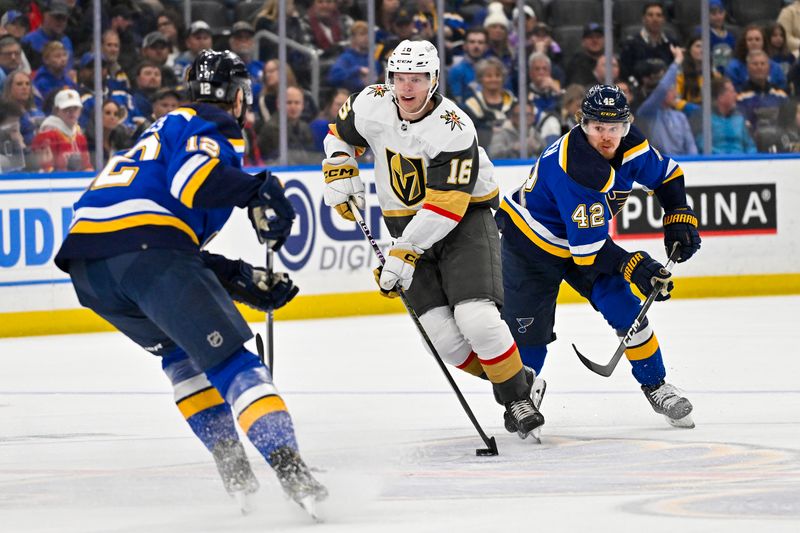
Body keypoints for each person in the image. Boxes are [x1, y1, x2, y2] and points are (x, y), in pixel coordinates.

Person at [52, 50, 327, 516]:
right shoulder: (212, 125)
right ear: (236, 95)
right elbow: (190, 183)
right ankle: (292, 472)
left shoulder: (163, 128)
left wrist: (233, 276)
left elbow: (152, 231)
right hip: (144, 253)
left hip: (91, 268)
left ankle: (236, 474)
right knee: (232, 362)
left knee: (182, 357)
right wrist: (254, 188)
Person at [321, 39, 544, 439]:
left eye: (417, 79)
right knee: (442, 339)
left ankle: (516, 397)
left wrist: (403, 252)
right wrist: (340, 164)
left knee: (476, 318)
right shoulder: (370, 103)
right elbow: (338, 135)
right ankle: (518, 376)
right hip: (407, 227)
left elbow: (447, 205)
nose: (407, 88)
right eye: (399, 78)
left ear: (434, 80)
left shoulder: (454, 126)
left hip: (464, 220)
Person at [495, 84, 700, 429]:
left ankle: (657, 385)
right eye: (597, 128)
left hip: (582, 243)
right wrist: (634, 265)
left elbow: (667, 175)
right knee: (530, 336)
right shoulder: (576, 168)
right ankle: (521, 395)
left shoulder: (632, 144)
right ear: (581, 123)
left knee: (625, 309)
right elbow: (588, 252)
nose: (606, 137)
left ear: (627, 124)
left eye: (615, 128)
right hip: (529, 246)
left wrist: (678, 212)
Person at [30, 87, 92, 172]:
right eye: (66, 109)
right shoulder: (46, 135)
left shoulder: (79, 136)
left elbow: (86, 165)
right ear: (56, 110)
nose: (71, 112)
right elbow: (45, 169)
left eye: (75, 108)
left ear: (80, 110)